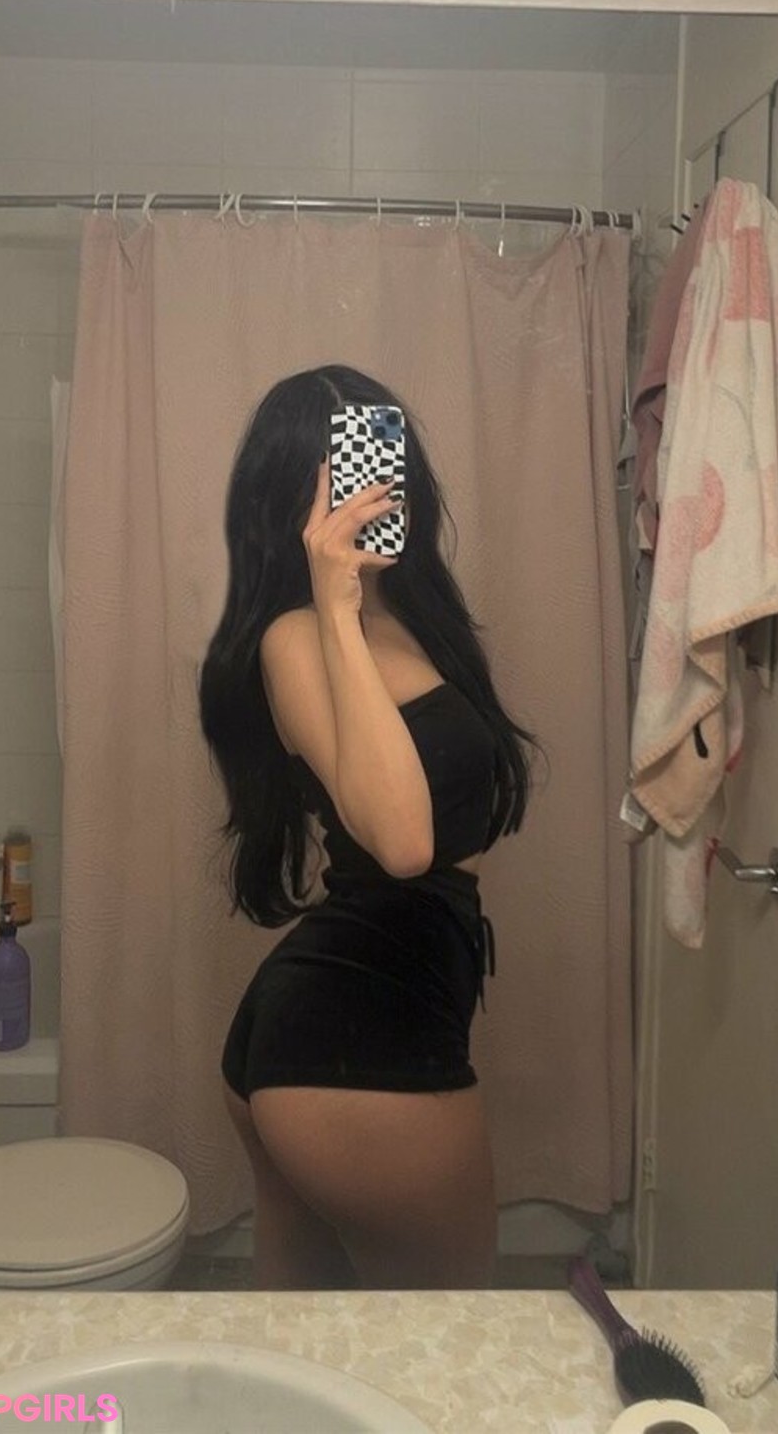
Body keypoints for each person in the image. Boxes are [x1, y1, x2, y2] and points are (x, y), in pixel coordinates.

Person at [199, 364, 541, 1289]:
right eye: (334, 479)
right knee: (453, 1335)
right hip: (356, 1048)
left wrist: (357, 609)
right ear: (286, 504)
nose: (364, 494)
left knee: (302, 1333)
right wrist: (335, 604)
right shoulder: (297, 638)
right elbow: (402, 842)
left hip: (344, 1023)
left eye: (376, 466)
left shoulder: (419, 620)